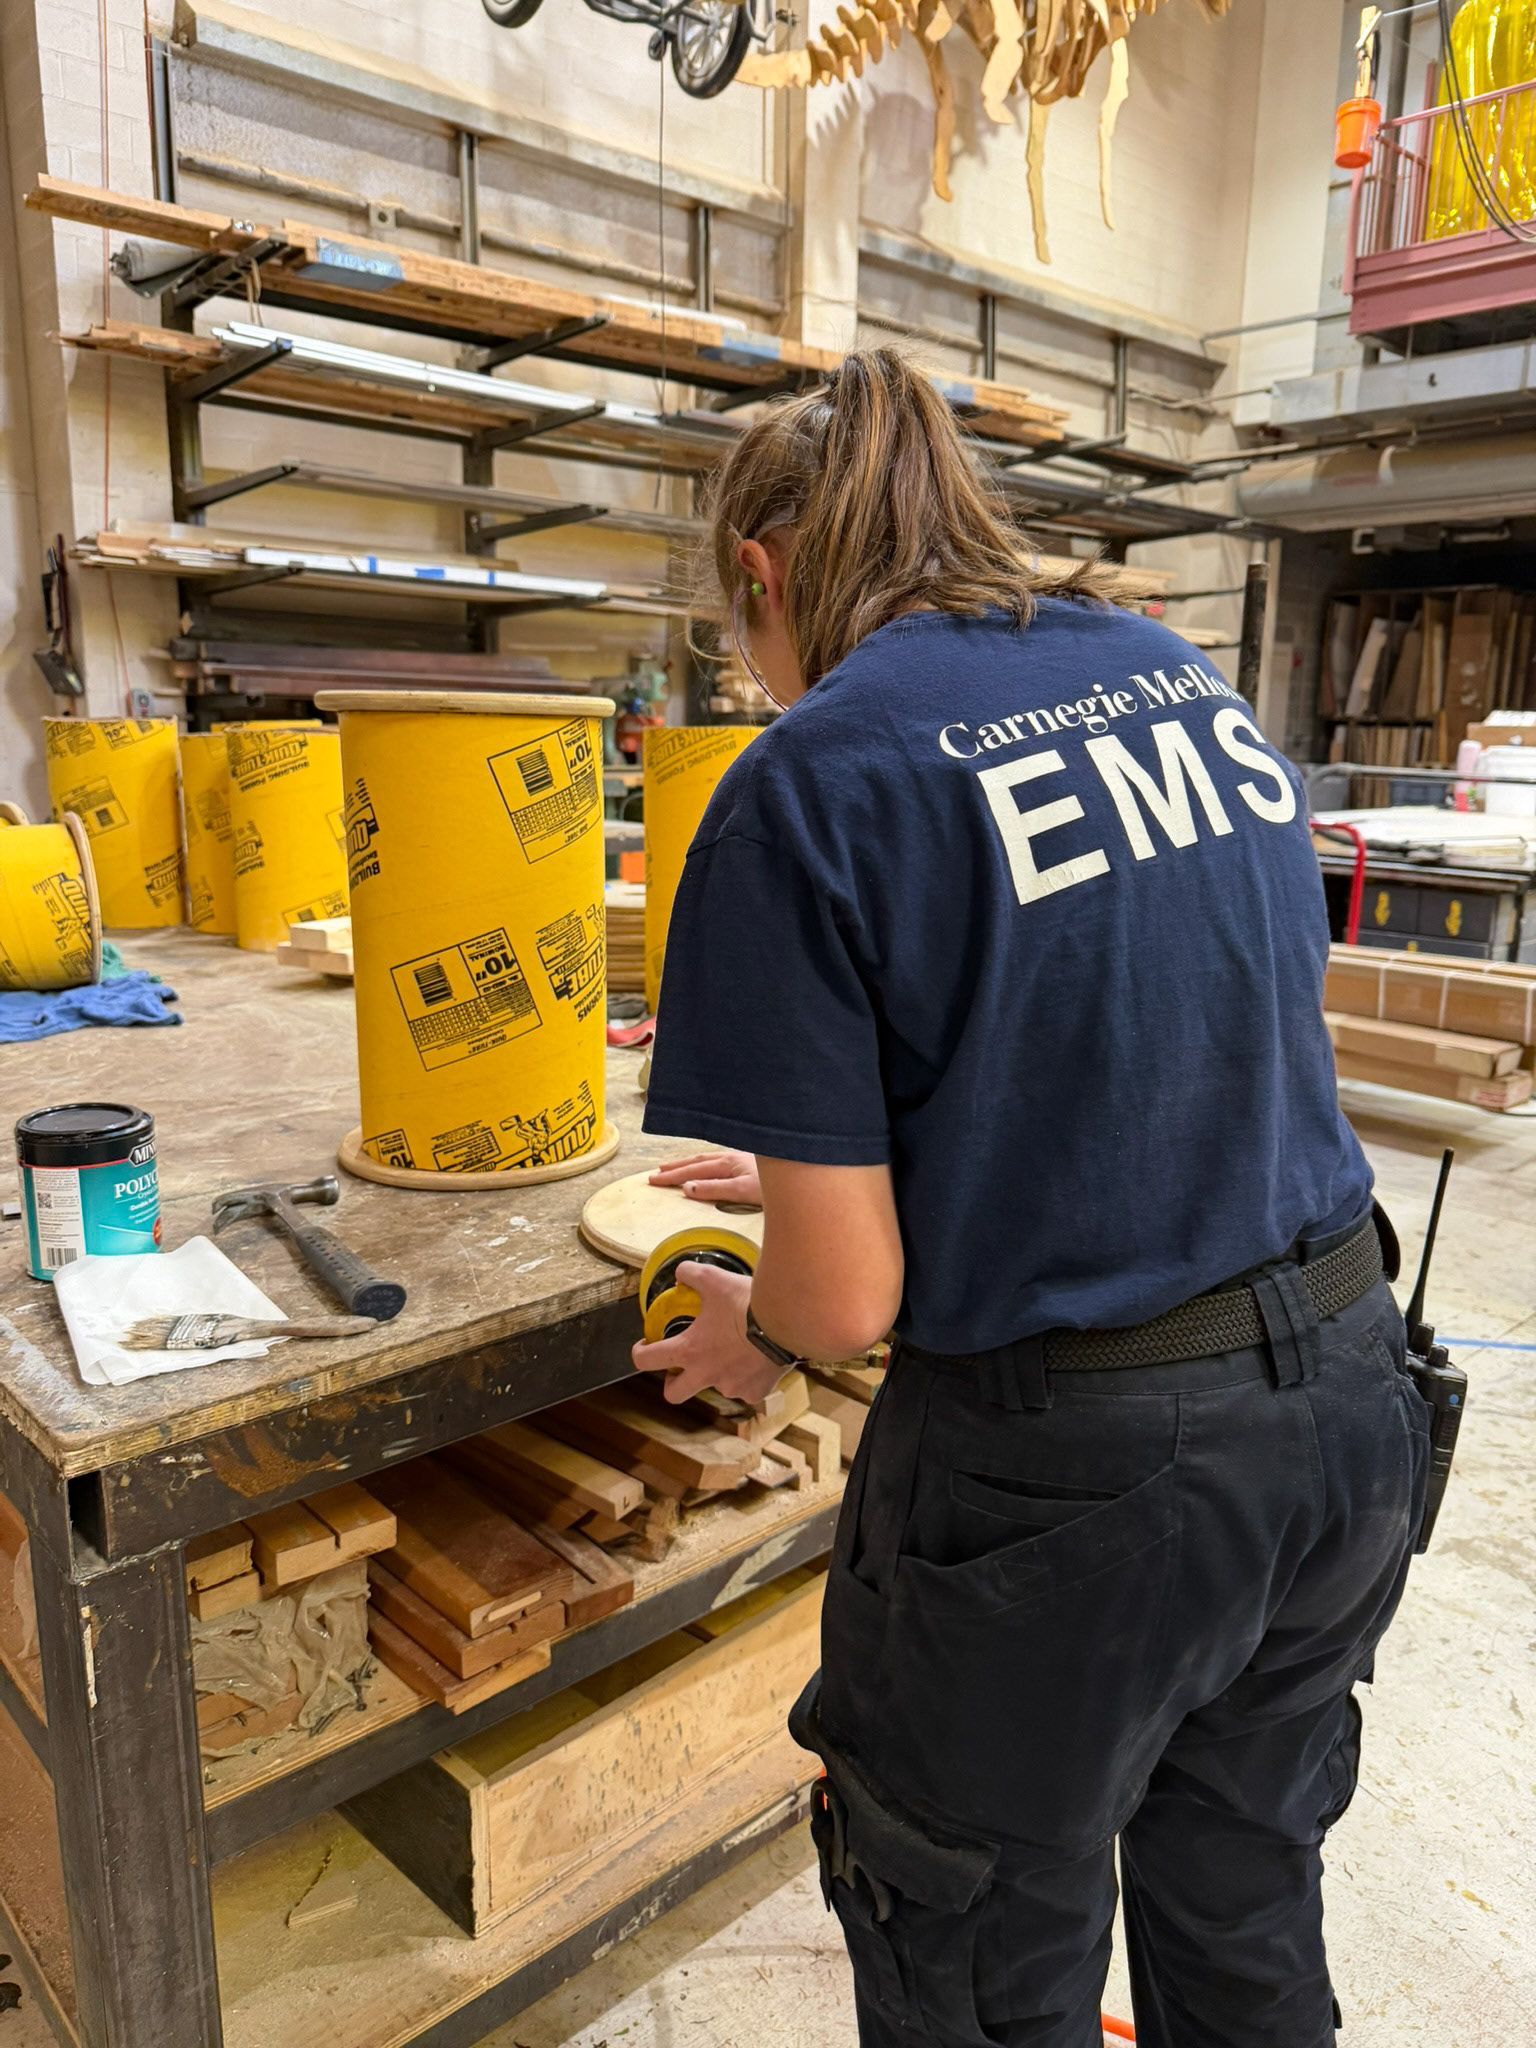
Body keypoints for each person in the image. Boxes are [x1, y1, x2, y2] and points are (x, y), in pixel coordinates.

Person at [632, 348, 1426, 2048]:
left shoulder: (810, 781)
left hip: (1082, 1494)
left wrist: (759, 1312)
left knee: (980, 1960)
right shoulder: (1175, 675)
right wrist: (827, 1141)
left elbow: (842, 1308)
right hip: (1348, 1406)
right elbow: (1140, 1033)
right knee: (1242, 1892)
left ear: (765, 582)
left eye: (736, 639)